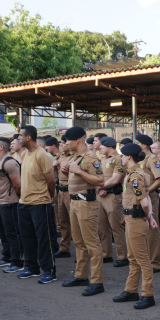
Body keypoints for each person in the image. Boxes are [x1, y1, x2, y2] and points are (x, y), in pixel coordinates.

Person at [112, 142, 159, 309]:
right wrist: (151, 216)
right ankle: (131, 290)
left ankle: (148, 294)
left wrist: (149, 216)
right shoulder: (134, 173)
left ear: (129, 157)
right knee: (133, 258)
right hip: (131, 219)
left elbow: (145, 201)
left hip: (136, 221)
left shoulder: (135, 176)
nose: (121, 158)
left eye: (123, 156)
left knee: (143, 260)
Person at [59, 126, 106, 296]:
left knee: (92, 244)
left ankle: (97, 281)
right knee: (78, 242)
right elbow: (76, 176)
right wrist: (67, 170)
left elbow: (100, 180)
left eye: (68, 141)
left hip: (87, 204)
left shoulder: (91, 158)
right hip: (75, 203)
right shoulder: (75, 157)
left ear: (76, 141)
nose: (66, 143)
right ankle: (80, 275)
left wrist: (78, 171)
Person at [16, 125, 58, 284]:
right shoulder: (25, 153)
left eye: (20, 136)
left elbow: (51, 180)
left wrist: (50, 197)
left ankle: (49, 271)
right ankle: (32, 267)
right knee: (27, 238)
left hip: (40, 203)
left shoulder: (42, 155)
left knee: (44, 239)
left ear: (28, 138)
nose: (18, 138)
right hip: (24, 203)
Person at [0, 137, 24, 272]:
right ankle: (7, 256)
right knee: (3, 232)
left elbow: (17, 184)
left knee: (12, 232)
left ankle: (17, 261)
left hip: (10, 203)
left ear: (1, 148)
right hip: (0, 202)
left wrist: (15, 198)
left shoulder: (9, 162)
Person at [96, 136, 129, 267]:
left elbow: (116, 179)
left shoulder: (118, 160)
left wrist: (101, 187)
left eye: (102, 146)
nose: (99, 147)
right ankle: (106, 254)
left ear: (109, 146)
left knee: (116, 227)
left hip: (113, 196)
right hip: (101, 195)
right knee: (102, 227)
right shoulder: (102, 159)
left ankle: (122, 256)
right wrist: (98, 189)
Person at [136, 133, 160, 272]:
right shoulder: (138, 158)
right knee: (141, 229)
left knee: (151, 229)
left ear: (143, 145)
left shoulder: (152, 159)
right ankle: (146, 260)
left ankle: (156, 263)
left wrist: (146, 192)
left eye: (137, 143)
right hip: (139, 197)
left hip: (149, 197)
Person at [51, 136, 73, 259]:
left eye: (63, 143)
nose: (61, 145)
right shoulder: (60, 157)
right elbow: (56, 176)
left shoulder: (74, 157)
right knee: (63, 221)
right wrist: (55, 168)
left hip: (71, 191)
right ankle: (64, 248)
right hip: (61, 190)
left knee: (75, 223)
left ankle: (82, 252)